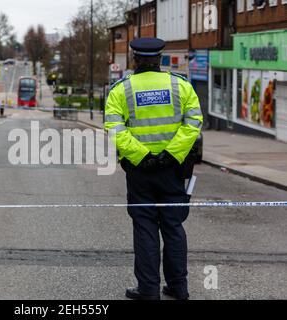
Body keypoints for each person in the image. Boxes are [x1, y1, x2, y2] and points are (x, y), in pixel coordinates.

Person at [105, 38, 203, 300]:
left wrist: (142, 156)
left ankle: (148, 290)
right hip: (173, 171)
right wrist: (171, 155)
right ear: (160, 59)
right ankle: (178, 288)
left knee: (145, 228)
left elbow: (115, 129)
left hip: (140, 173)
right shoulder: (181, 86)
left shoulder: (120, 90)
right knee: (173, 227)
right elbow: (193, 123)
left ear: (134, 59)